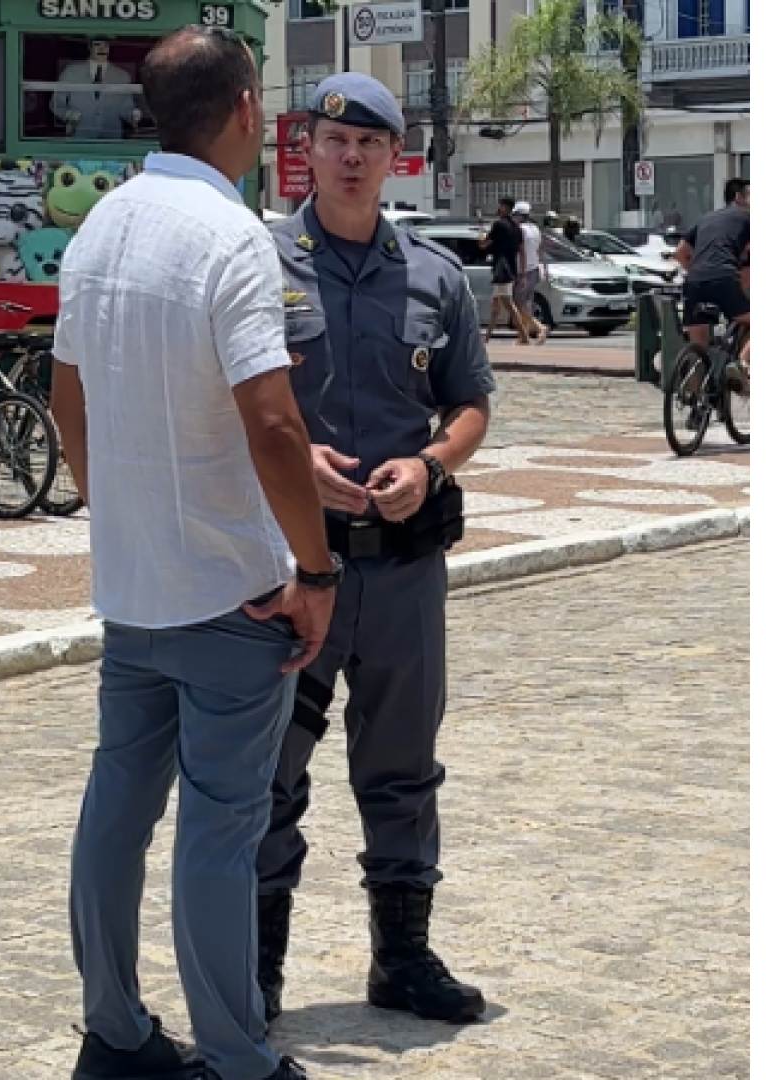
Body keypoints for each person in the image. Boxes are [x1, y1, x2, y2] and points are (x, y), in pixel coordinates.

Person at [50, 26, 335, 1080]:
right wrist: (316, 573)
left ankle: (113, 1032)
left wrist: (110, 505)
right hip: (230, 588)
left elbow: (66, 395)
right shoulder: (231, 237)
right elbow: (273, 425)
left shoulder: (100, 229)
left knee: (115, 808)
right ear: (249, 111)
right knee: (220, 825)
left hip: (134, 587)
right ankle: (236, 1056)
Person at [256, 72, 495, 1033]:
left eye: (371, 144)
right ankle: (255, 968)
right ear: (306, 149)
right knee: (271, 773)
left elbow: (472, 400)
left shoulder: (434, 275)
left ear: (395, 157)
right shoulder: (257, 260)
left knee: (403, 767)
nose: (351, 158)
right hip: (290, 565)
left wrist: (431, 466)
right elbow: (222, 400)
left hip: (402, 570)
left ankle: (402, 958)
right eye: (333, 140)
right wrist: (288, 454)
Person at [674, 175, 749, 349]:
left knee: (698, 347)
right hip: (723, 278)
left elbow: (680, 252)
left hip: (693, 281)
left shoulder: (705, 218)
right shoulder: (748, 217)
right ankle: (742, 365)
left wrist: (697, 271)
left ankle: (695, 370)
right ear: (738, 197)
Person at [479, 195, 542, 344]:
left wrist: (481, 231)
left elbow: (483, 244)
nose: (497, 208)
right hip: (511, 269)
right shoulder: (516, 228)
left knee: (509, 304)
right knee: (496, 305)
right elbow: (521, 251)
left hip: (501, 270)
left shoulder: (498, 225)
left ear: (505, 208)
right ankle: (486, 338)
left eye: (499, 205)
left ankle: (525, 337)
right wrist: (522, 273)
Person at [52, 38, 145, 140]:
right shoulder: (71, 72)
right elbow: (56, 103)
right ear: (89, 47)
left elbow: (125, 107)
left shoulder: (122, 76)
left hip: (111, 138)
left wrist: (133, 115)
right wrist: (68, 115)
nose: (102, 49)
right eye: (97, 45)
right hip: (79, 136)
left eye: (105, 45)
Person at [513, 201, 543, 336]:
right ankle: (525, 332)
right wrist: (543, 267)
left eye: (515, 215)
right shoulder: (535, 229)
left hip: (523, 271)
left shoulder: (520, 230)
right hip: (535, 269)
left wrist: (523, 274)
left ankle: (538, 327)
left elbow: (521, 252)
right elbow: (539, 250)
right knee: (527, 301)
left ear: (519, 215)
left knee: (518, 302)